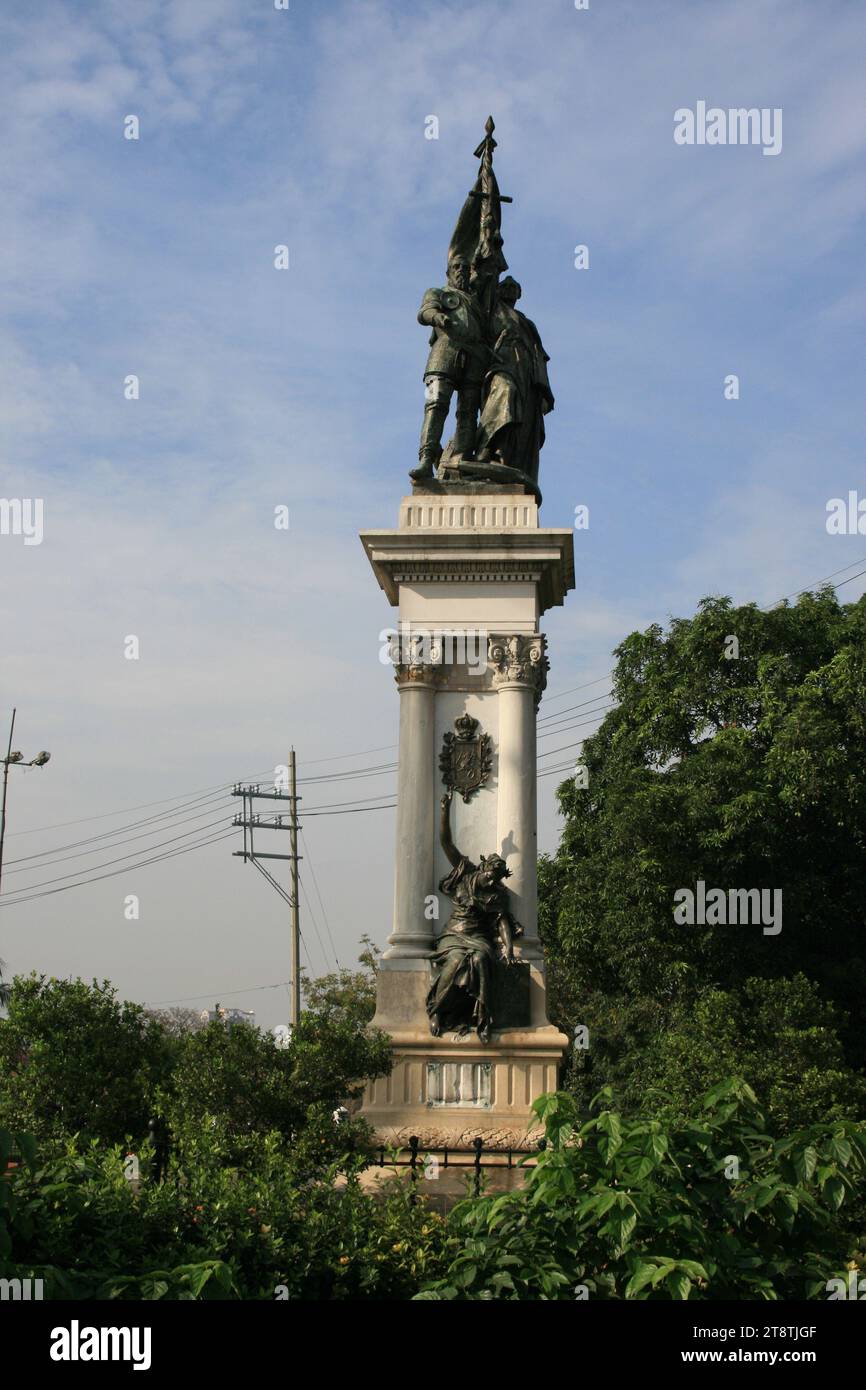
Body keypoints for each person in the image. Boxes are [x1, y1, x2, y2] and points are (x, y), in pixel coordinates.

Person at [426, 789, 522, 1043]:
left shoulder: (497, 894)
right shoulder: (464, 872)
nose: (492, 880)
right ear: (483, 867)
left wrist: (509, 949)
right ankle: (437, 1010)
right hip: (454, 935)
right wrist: (445, 810)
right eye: (491, 874)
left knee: (480, 959)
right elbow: (446, 842)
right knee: (456, 960)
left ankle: (482, 1019)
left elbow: (502, 922)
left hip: (478, 937)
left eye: (497, 878)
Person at [411, 256, 489, 481]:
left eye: (465, 268)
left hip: (474, 359)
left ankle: (460, 462)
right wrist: (437, 317)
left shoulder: (476, 302)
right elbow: (424, 312)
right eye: (457, 267)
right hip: (443, 355)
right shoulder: (438, 292)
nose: (461, 271)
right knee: (435, 405)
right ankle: (426, 460)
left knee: (468, 413)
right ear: (448, 272)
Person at [474, 276, 554, 486]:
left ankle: (505, 459)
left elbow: (540, 357)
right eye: (504, 286)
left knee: (523, 419)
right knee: (505, 392)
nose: (508, 289)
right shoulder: (491, 309)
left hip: (526, 373)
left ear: (519, 294)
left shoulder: (527, 323)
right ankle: (487, 449)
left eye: (513, 287)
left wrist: (544, 392)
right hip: (501, 364)